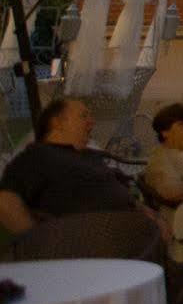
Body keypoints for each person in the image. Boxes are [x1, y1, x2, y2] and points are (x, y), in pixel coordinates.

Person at [0, 97, 144, 231]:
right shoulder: (39, 156)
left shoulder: (88, 155)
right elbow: (5, 202)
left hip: (133, 233)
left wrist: (146, 212)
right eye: (83, 116)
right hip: (94, 243)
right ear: (57, 123)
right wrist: (41, 240)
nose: (91, 121)